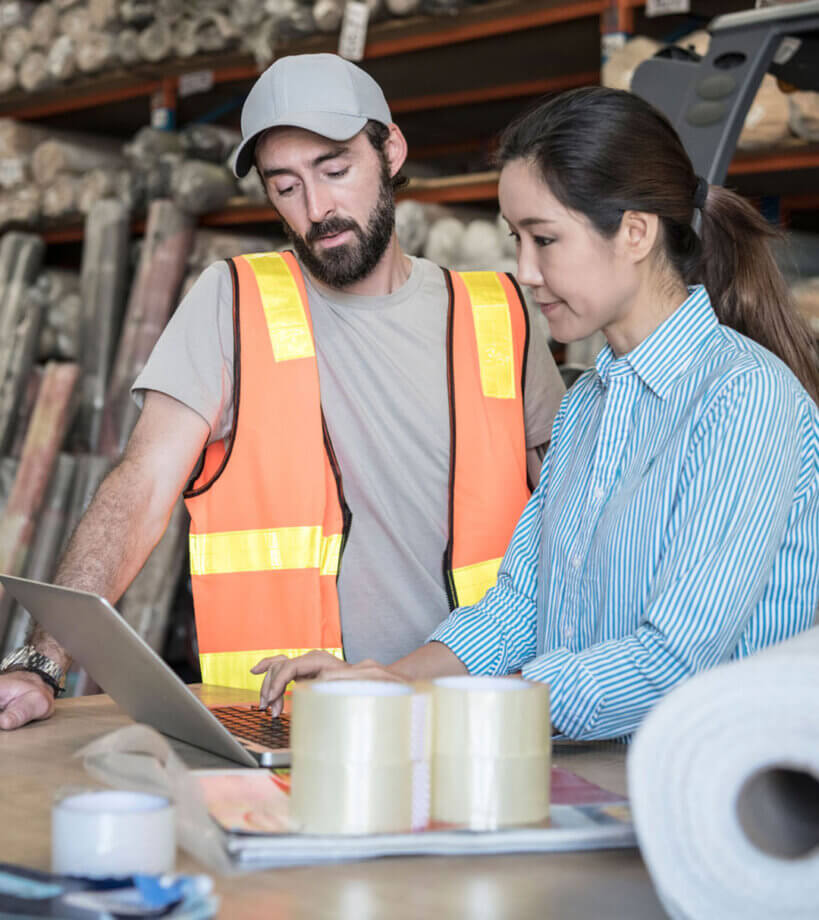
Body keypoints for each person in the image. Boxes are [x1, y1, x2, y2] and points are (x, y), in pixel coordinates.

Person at [0, 53, 564, 730]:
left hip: (476, 714)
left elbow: (572, 521)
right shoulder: (232, 301)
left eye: (334, 170)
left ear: (389, 148)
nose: (317, 208)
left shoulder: (499, 313)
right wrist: (42, 659)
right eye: (285, 186)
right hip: (285, 725)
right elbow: (141, 487)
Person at [256, 85, 819, 741]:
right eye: (514, 238)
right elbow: (521, 606)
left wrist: (449, 710)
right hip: (597, 771)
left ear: (634, 232)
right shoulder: (587, 405)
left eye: (543, 239)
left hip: (720, 790)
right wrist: (391, 682)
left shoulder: (740, 398)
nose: (523, 270)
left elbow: (673, 660)